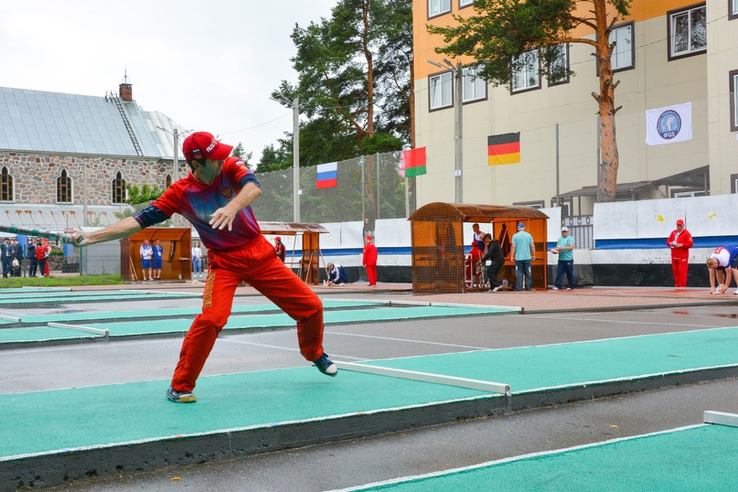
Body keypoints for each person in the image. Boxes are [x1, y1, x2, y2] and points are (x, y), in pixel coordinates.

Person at [70, 131, 337, 403]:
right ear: (197, 164)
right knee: (211, 319)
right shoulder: (181, 193)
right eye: (215, 157)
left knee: (312, 306)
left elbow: (253, 187)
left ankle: (314, 353)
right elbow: (138, 221)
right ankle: (180, 386)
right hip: (224, 262)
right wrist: (92, 236)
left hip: (259, 253)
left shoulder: (231, 166)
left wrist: (232, 207)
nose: (222, 159)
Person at [667, 219, 693, 288]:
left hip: (682, 257)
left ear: (683, 225)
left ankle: (682, 286)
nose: (678, 227)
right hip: (674, 256)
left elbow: (690, 244)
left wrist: (681, 245)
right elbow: (668, 241)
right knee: (675, 272)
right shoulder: (673, 233)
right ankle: (677, 286)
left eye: (680, 226)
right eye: (678, 226)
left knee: (682, 273)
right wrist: (670, 243)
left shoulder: (687, 233)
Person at [510, 222, 535, 291]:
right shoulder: (529, 235)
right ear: (524, 228)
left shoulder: (515, 236)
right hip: (527, 258)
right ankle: (528, 287)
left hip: (518, 258)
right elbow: (532, 246)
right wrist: (534, 255)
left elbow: (513, 246)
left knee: (519, 273)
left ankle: (519, 288)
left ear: (518, 228)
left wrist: (512, 256)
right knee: (528, 273)